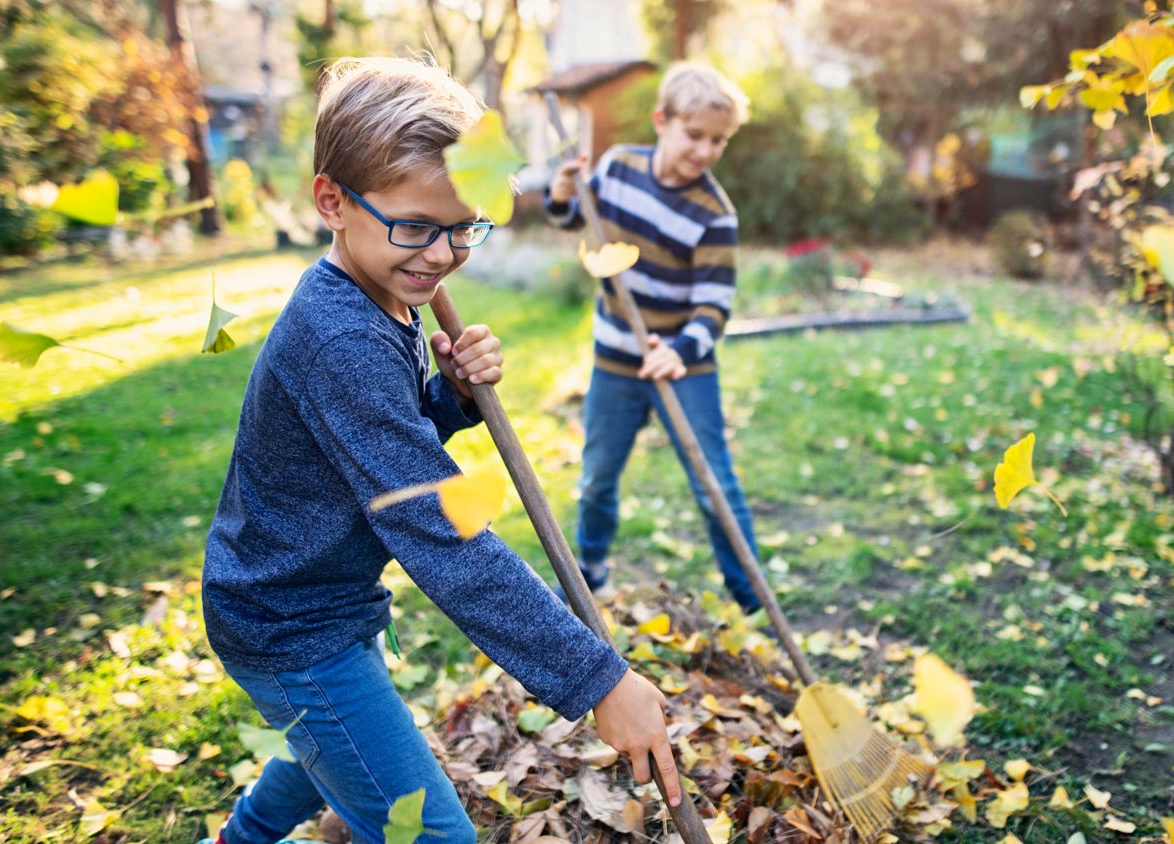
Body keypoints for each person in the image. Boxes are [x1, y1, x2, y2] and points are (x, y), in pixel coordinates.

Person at [199, 56, 679, 844]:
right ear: (332, 201)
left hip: (319, 600)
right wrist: (598, 677)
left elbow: (364, 446)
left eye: (464, 228)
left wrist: (448, 398)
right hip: (290, 622)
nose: (442, 255)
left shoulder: (377, 294)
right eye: (416, 227)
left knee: (320, 746)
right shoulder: (341, 336)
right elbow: (437, 531)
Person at [544, 62, 762, 614]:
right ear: (661, 120)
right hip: (616, 358)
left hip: (684, 362)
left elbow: (715, 306)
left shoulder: (715, 215)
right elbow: (580, 223)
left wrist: (680, 350)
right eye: (695, 135)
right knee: (596, 476)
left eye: (719, 141)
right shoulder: (618, 169)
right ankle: (587, 574)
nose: (706, 150)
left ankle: (752, 595)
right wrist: (564, 193)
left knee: (714, 483)